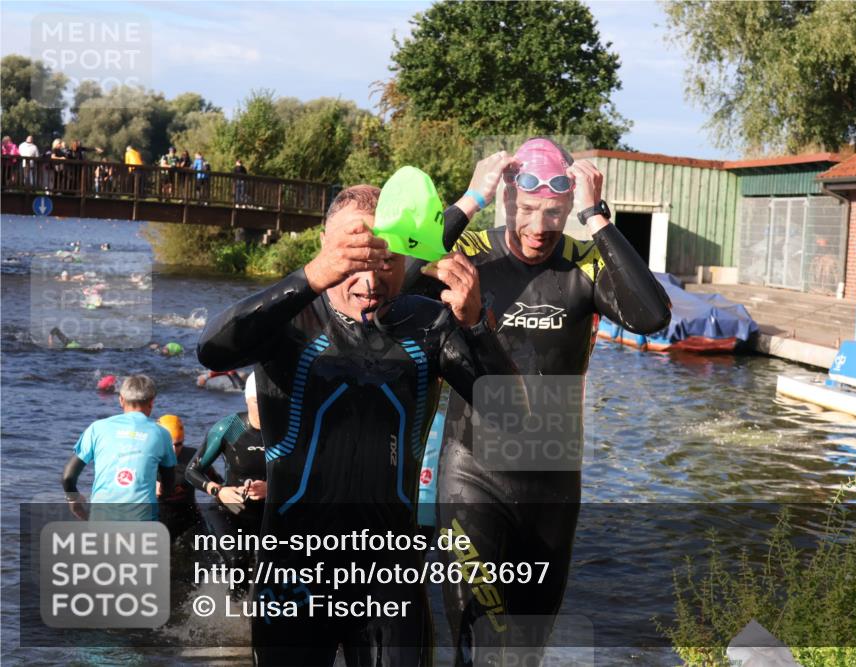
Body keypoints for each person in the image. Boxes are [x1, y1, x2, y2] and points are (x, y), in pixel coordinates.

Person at [197, 184, 520, 666]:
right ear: (326, 247)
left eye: (386, 260)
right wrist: (309, 278)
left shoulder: (429, 325)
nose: (370, 279)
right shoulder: (288, 322)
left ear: (405, 259)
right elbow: (212, 349)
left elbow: (514, 421)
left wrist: (475, 326)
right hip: (293, 571)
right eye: (354, 254)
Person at [407, 138, 672, 666]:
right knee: (474, 639)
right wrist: (468, 201)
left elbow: (652, 316)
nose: (538, 227)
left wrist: (598, 218)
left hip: (552, 478)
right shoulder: (472, 255)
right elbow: (405, 285)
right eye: (527, 210)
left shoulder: (582, 265)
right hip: (472, 470)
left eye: (554, 213)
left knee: (524, 650)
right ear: (508, 201)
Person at [185, 373, 266, 584]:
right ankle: (233, 612)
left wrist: (271, 488)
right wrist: (219, 490)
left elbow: (309, 477)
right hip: (229, 510)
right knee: (238, 561)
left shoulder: (286, 430)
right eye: (258, 402)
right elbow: (192, 471)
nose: (264, 408)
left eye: (268, 401)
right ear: (247, 399)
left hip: (269, 512)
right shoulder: (229, 428)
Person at [61, 375, 176, 521]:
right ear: (152, 402)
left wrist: (73, 499)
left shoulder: (97, 428)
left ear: (121, 399)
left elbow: (67, 477)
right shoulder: (161, 434)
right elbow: (168, 484)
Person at [157, 414, 211, 541]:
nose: (174, 450)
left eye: (178, 444)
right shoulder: (146, 459)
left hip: (190, 520)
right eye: (169, 445)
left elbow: (216, 481)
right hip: (158, 522)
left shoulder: (192, 456)